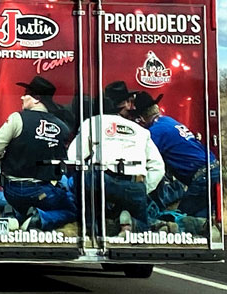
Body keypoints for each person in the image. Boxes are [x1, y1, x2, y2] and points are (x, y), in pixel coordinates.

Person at [67, 81, 165, 233]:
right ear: (125, 103)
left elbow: (74, 156)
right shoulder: (140, 130)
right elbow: (158, 167)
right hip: (133, 184)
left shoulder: (93, 123)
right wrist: (142, 189)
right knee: (142, 232)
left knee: (84, 183)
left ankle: (93, 228)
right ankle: (131, 224)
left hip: (101, 181)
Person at [0, 76, 76, 231]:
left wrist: (4, 162)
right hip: (43, 192)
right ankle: (39, 218)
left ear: (36, 99)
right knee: (71, 209)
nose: (22, 96)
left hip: (12, 190)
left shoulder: (16, 118)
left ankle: (13, 215)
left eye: (26, 93)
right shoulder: (62, 127)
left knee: (16, 199)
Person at [133, 91, 220, 218]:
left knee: (182, 219)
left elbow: (146, 159)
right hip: (212, 169)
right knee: (201, 220)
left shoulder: (154, 132)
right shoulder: (167, 121)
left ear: (141, 118)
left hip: (201, 176)